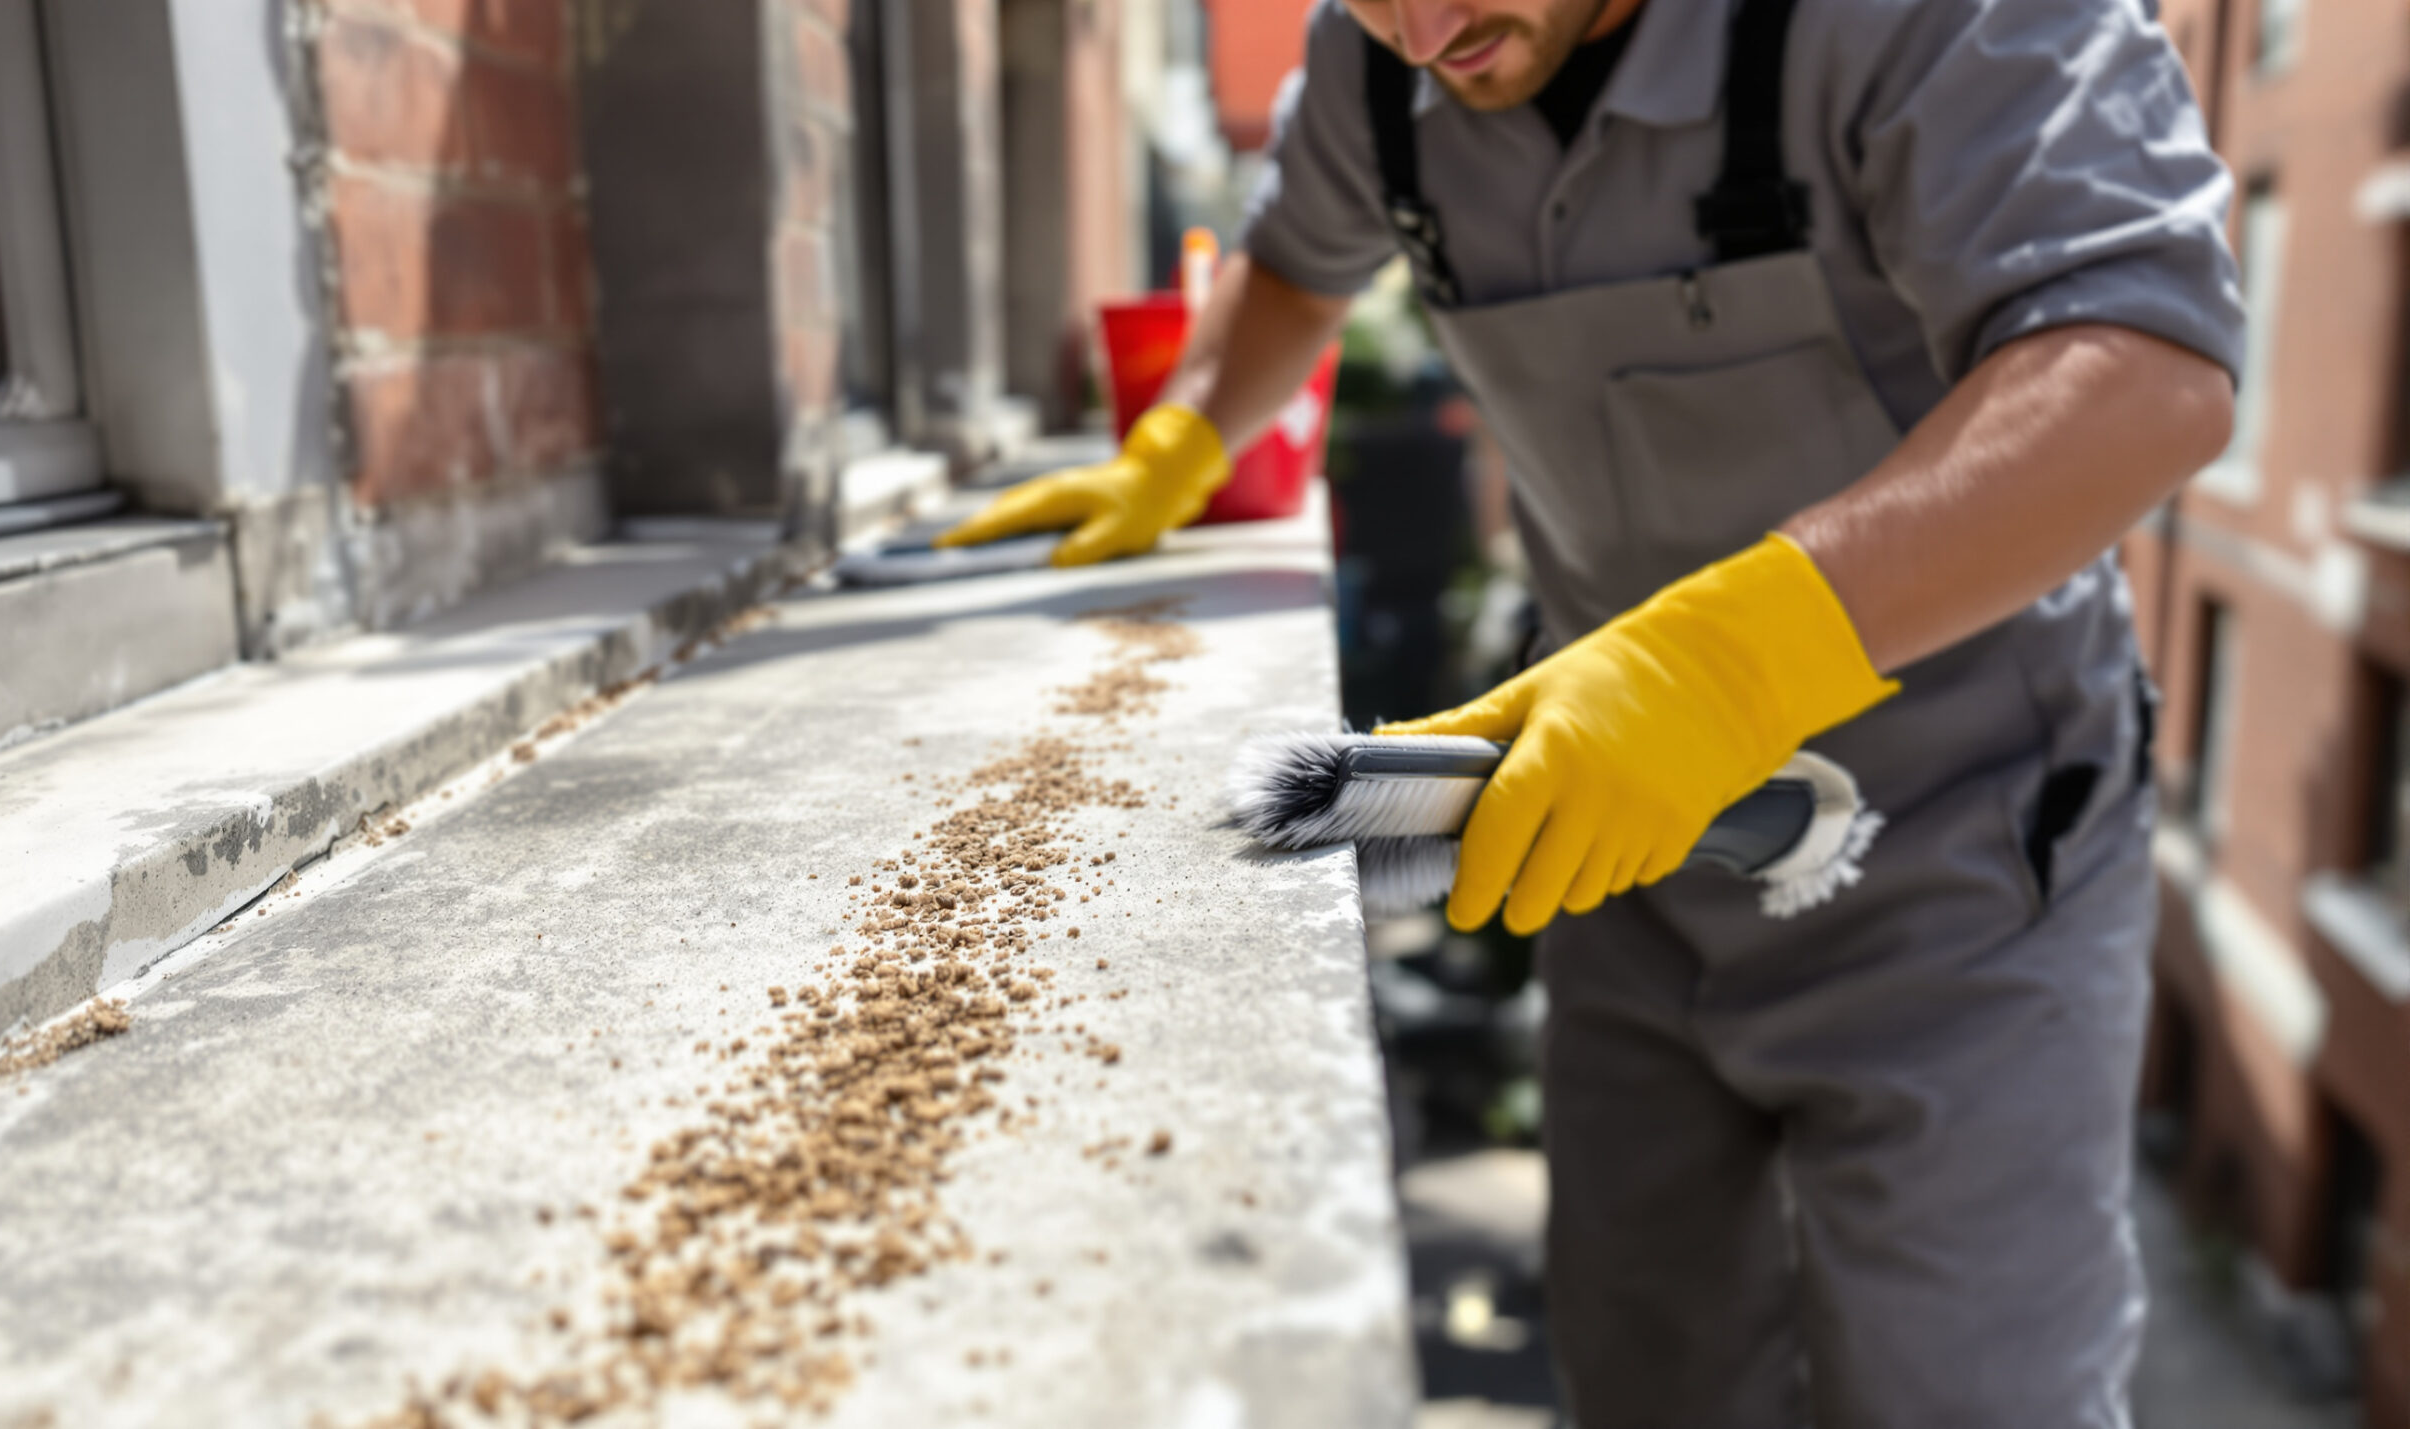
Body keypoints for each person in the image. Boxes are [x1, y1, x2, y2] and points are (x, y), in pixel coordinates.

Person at [941, 0, 2240, 1420]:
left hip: (1966, 863)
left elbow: (2142, 369)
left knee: (1962, 1393)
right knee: (1648, 1366)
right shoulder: (1374, 55)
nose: (1425, 32)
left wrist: (1727, 669)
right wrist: (1185, 436)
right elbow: (1294, 266)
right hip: (1622, 848)